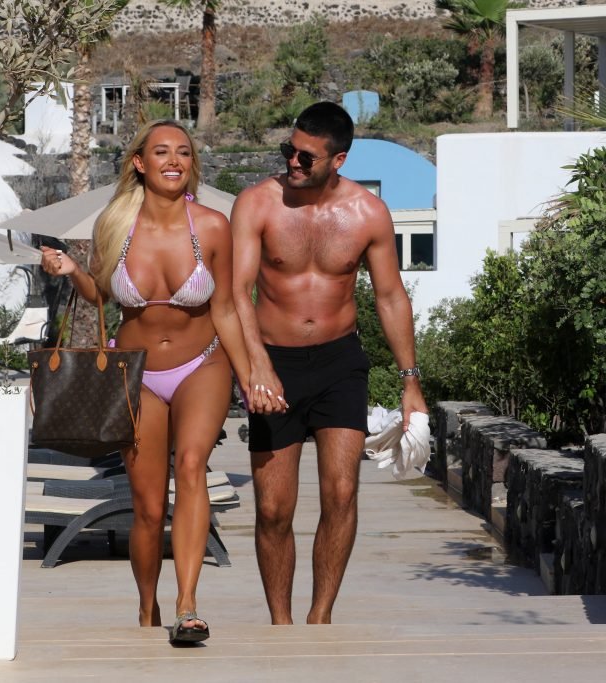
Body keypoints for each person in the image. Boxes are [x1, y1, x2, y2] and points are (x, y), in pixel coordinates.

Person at [41, 119, 282, 643]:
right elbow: (100, 295)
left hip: (203, 364)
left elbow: (225, 309)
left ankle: (187, 605)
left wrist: (250, 380)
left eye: (183, 153)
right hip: (137, 373)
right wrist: (71, 271)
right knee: (148, 508)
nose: (174, 161)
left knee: (192, 466)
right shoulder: (115, 225)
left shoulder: (212, 227)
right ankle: (147, 609)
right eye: (162, 152)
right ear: (140, 163)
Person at [231, 101, 428, 625]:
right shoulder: (257, 204)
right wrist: (256, 365)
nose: (292, 162)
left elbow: (390, 296)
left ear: (338, 160)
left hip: (341, 363)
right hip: (274, 363)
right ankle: (281, 623)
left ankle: (319, 619)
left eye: (306, 157)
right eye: (288, 150)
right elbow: (237, 291)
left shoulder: (368, 213)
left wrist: (411, 382)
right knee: (273, 508)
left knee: (341, 494)